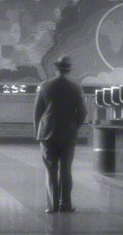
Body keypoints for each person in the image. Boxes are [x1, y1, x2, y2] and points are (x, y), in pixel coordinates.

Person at [35, 57, 86, 213]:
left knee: (50, 170)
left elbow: (38, 112)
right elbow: (82, 112)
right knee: (66, 170)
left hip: (47, 134)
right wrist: (74, 126)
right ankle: (66, 204)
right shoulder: (76, 88)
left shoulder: (44, 86)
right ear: (68, 69)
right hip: (68, 134)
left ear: (55, 68)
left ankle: (52, 206)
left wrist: (38, 131)